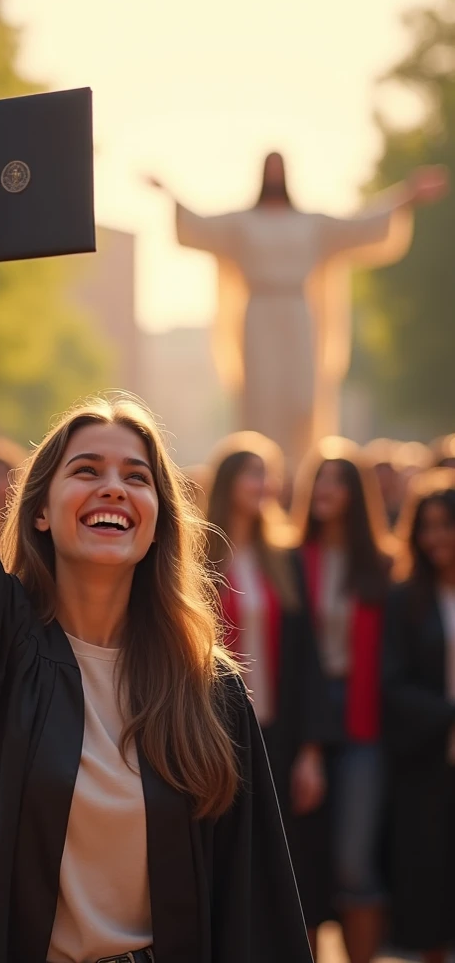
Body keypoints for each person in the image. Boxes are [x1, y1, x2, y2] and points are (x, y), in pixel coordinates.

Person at [0, 159, 314, 963]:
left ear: (157, 521)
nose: (113, 486)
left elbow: (256, 910)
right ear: (39, 510)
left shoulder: (204, 687)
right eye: (86, 469)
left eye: (136, 476)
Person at [147, 156, 448, 467]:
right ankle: (257, 467)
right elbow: (200, 225)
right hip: (258, 316)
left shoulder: (312, 224)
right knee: (261, 399)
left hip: (300, 315)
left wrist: (407, 194)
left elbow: (361, 225)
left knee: (303, 399)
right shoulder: (243, 224)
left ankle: (302, 471)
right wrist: (170, 194)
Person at [206, 443, 331, 946]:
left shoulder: (286, 559)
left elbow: (307, 663)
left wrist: (312, 752)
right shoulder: (198, 557)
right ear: (228, 481)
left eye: (270, 475)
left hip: (278, 735)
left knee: (294, 870)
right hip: (214, 733)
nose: (265, 485)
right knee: (227, 865)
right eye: (254, 473)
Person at [292, 439, 391, 963]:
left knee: (354, 861)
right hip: (302, 711)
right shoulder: (288, 558)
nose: (326, 490)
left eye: (338, 481)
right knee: (302, 863)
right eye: (320, 480)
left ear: (356, 494)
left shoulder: (380, 564)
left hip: (361, 715)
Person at [383, 471, 455, 963]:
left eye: (446, 525)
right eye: (426, 526)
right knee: (431, 889)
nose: (436, 538)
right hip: (428, 762)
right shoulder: (404, 600)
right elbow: (393, 685)